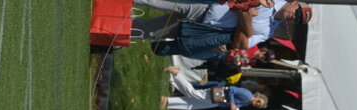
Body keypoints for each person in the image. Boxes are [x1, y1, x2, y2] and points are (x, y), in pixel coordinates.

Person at [134, 0, 313, 51]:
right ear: (294, 3)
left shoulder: (269, 32)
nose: (294, 18)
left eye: (297, 20)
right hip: (204, 5)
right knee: (155, 1)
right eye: (297, 13)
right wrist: (247, 29)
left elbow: (241, 45)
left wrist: (247, 20)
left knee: (152, 31)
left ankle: (118, 29)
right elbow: (242, 5)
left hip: (201, 27)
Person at [161, 66, 269, 110]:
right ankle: (176, 73)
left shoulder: (247, 102)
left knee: (192, 104)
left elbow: (236, 104)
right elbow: (231, 89)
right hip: (218, 95)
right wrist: (232, 104)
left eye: (258, 105)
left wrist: (235, 107)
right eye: (258, 101)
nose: (256, 103)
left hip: (217, 101)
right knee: (192, 93)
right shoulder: (247, 94)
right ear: (258, 96)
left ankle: (168, 101)